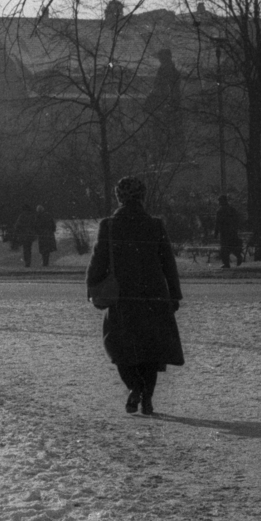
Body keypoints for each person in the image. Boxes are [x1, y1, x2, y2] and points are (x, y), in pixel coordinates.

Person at [86, 175, 185, 416]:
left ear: (119, 197)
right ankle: (147, 397)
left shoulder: (109, 226)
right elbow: (167, 264)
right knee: (150, 351)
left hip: (123, 298)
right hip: (154, 297)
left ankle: (134, 388)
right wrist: (174, 295)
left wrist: (93, 288)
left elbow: (98, 261)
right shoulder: (154, 225)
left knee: (120, 348)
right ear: (142, 197)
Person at [215, 195, 243, 269]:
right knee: (232, 247)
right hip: (232, 232)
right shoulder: (232, 210)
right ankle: (238, 256)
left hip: (224, 233)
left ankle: (226, 264)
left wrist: (216, 232)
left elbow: (218, 223)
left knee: (224, 249)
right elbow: (237, 220)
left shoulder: (220, 211)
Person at [10, 203, 36, 267]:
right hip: (30, 234)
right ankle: (28, 261)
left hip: (24, 234)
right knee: (29, 248)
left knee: (25, 248)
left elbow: (17, 225)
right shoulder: (31, 216)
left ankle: (27, 261)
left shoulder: (22, 216)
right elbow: (35, 225)